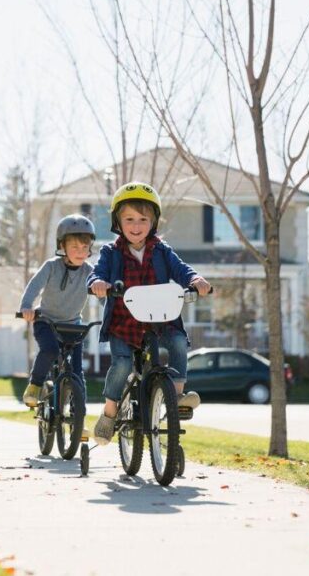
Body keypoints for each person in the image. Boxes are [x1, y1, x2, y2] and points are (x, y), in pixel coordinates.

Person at [88, 181, 212, 445]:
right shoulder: (111, 252)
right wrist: (97, 284)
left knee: (178, 341)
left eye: (143, 219)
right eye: (129, 219)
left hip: (160, 318)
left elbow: (182, 270)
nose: (136, 226)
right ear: (118, 222)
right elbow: (97, 273)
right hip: (125, 322)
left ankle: (177, 396)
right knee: (121, 364)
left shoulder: (161, 249)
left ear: (153, 221)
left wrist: (196, 279)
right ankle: (110, 412)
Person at [19, 214, 96, 408]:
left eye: (84, 247)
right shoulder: (52, 266)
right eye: (74, 247)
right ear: (62, 247)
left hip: (72, 326)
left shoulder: (89, 271)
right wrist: (26, 307)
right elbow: (34, 286)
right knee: (50, 350)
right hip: (46, 321)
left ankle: (80, 417)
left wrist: (115, 313)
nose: (80, 252)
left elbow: (102, 296)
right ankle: (35, 384)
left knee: (77, 373)